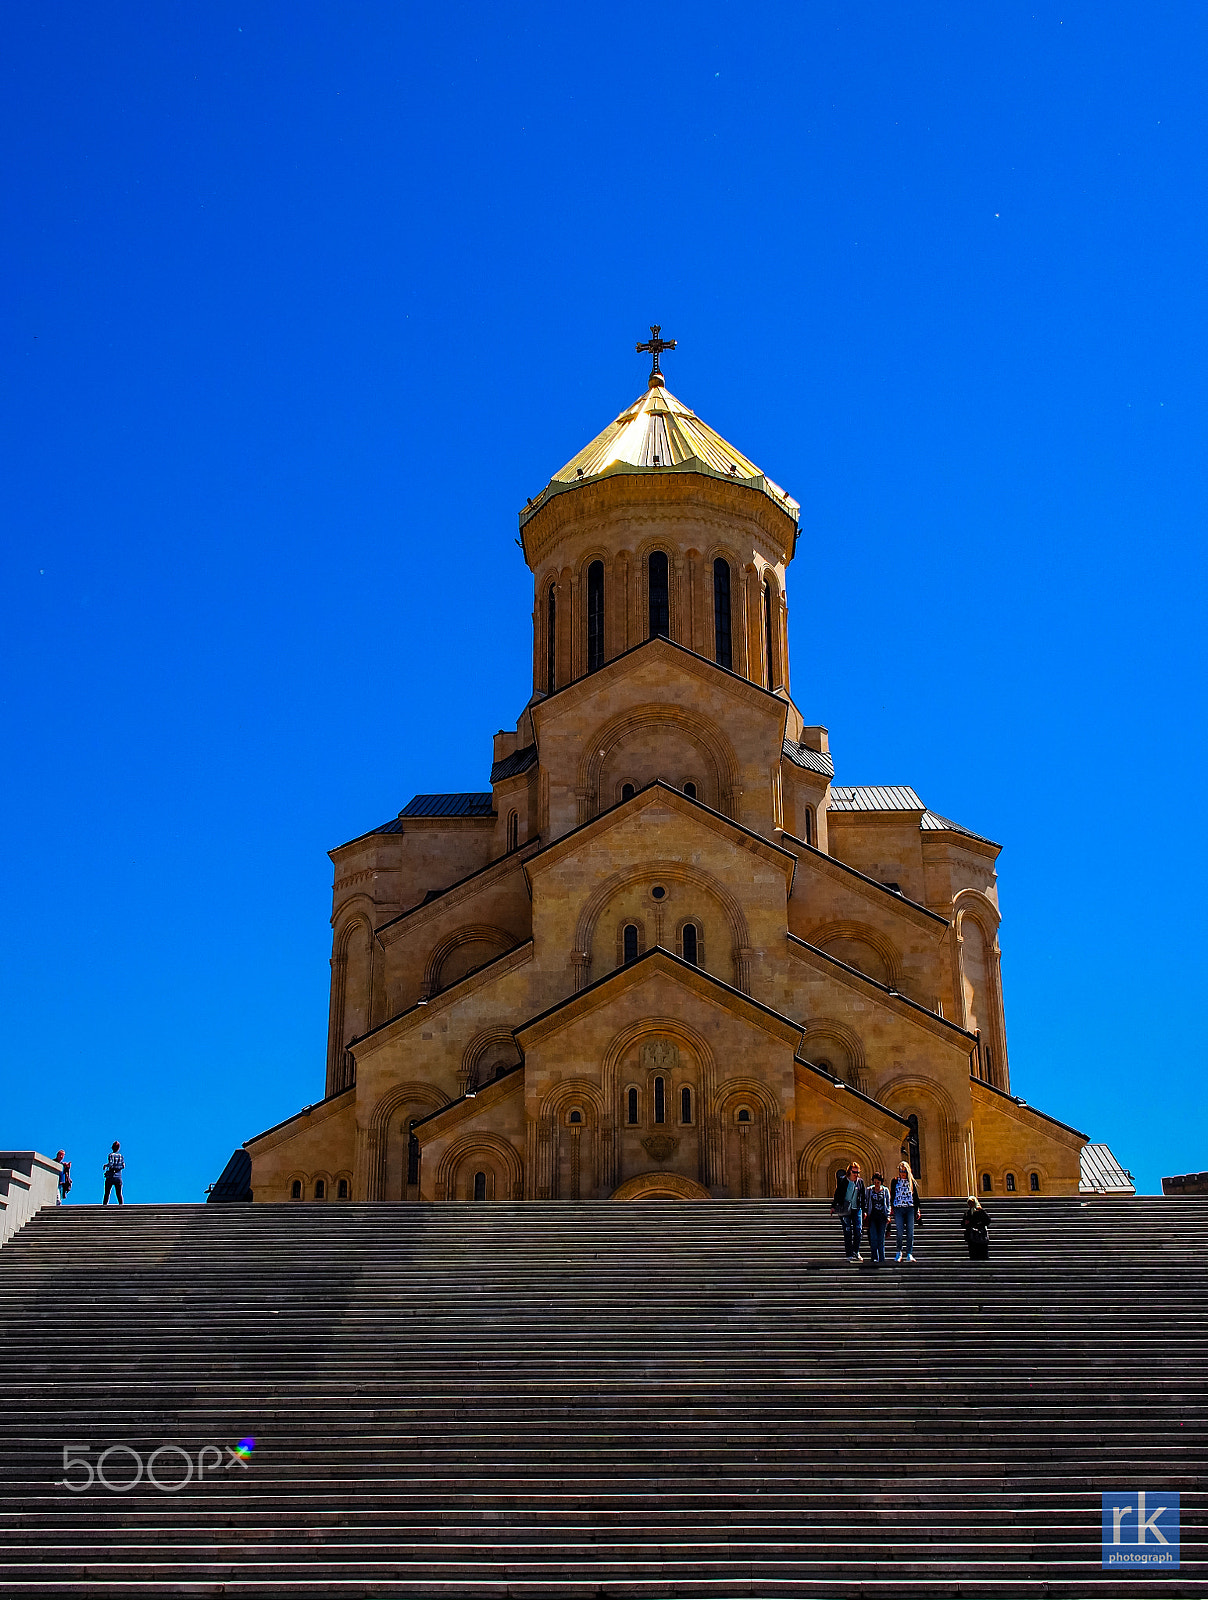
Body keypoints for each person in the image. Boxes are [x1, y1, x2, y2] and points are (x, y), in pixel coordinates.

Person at [830, 1161, 866, 1263]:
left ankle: (856, 1251)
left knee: (858, 1230)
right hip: (845, 1209)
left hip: (856, 1208)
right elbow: (837, 1194)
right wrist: (833, 1206)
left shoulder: (860, 1182)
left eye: (857, 1172)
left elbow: (863, 1196)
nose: (856, 1174)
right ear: (849, 1171)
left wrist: (865, 1210)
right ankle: (849, 1254)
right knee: (847, 1231)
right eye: (854, 1172)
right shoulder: (843, 1181)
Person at [892, 1158, 920, 1263]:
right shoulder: (895, 1181)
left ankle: (909, 1253)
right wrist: (891, 1208)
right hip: (898, 1208)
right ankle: (899, 1252)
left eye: (904, 1171)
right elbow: (892, 1195)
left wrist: (917, 1210)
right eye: (900, 1170)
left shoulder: (911, 1182)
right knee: (899, 1231)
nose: (902, 1173)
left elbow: (916, 1197)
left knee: (910, 1232)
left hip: (909, 1208)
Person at [865, 1171, 892, 1265]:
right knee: (873, 1238)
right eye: (875, 1182)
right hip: (872, 1217)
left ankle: (882, 1258)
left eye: (878, 1182)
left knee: (881, 1238)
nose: (876, 1184)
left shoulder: (885, 1191)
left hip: (882, 1217)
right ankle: (874, 1257)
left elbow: (888, 1204)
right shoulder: (869, 1190)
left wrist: (888, 1216)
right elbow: (866, 1202)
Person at [961, 1195, 991, 1260]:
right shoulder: (968, 1213)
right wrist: (966, 1223)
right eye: (969, 1203)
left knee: (981, 1249)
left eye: (972, 1203)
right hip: (972, 1235)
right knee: (973, 1250)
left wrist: (980, 1223)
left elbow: (987, 1221)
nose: (970, 1204)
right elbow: (963, 1224)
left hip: (980, 1234)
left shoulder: (981, 1212)